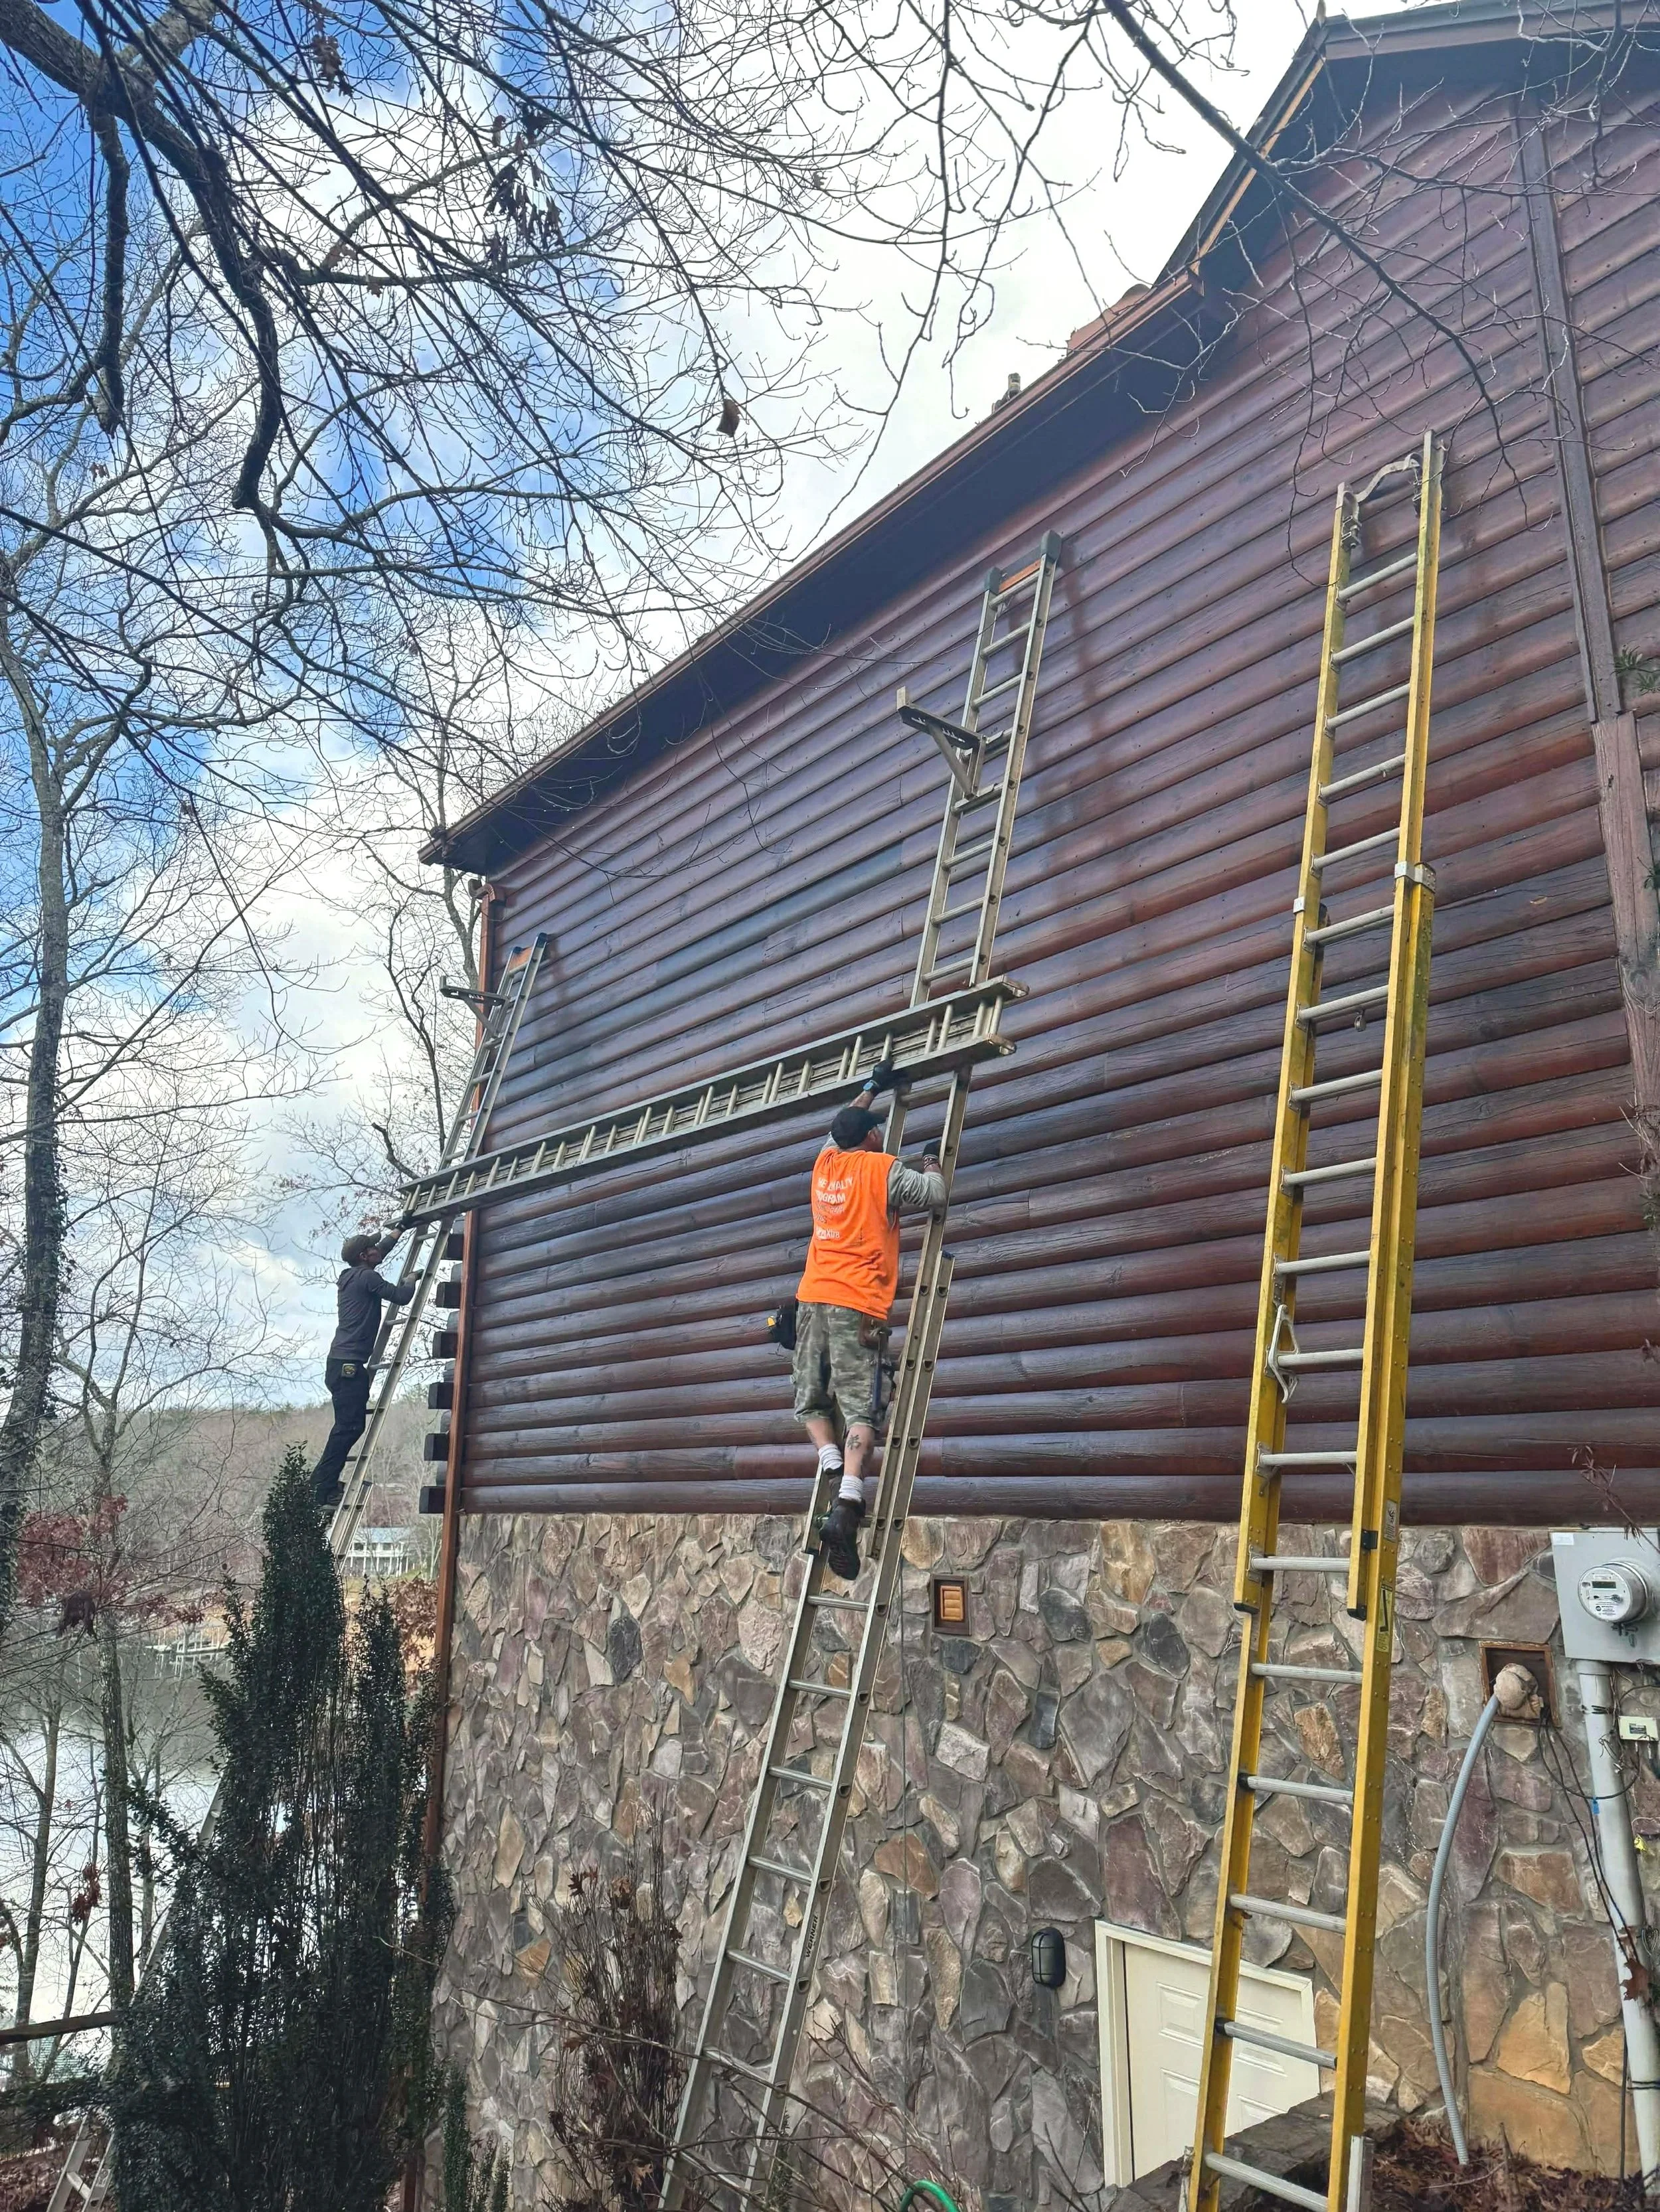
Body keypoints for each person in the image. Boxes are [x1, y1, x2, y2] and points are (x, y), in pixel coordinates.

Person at [793, 1065, 946, 1581]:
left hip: (812, 1299)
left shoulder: (824, 1165)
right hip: (858, 1304)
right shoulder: (883, 1170)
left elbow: (840, 1128)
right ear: (875, 1138)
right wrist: (930, 1162)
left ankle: (832, 1465)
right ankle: (848, 1502)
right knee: (863, 1406)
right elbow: (936, 1197)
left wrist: (870, 1087)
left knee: (811, 1398)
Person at [310, 1229, 415, 1510]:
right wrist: (412, 1280)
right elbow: (401, 1296)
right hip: (349, 1367)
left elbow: (380, 1251)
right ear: (363, 1255)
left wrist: (400, 1229)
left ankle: (323, 1484)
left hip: (340, 1364)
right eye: (372, 1248)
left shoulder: (353, 1276)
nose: (376, 1250)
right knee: (349, 1428)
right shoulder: (368, 1277)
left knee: (348, 1427)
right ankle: (322, 1489)